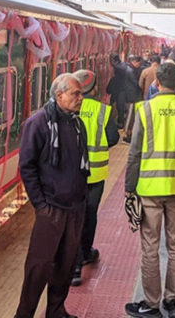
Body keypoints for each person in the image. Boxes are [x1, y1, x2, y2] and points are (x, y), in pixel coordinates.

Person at [124, 63, 175, 318]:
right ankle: (173, 301)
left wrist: (129, 187)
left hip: (151, 189)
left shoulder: (145, 109)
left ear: (157, 82)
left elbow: (134, 152)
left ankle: (151, 302)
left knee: (150, 247)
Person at [16, 73, 89, 318]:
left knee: (66, 265)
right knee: (39, 267)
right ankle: (24, 314)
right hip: (52, 209)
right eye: (75, 94)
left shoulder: (77, 123)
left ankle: (56, 311)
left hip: (75, 207)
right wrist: (40, 205)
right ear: (59, 96)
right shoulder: (38, 123)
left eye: (81, 93)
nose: (81, 98)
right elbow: (27, 166)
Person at [71, 70, 120, 286]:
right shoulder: (103, 111)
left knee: (72, 217)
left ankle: (73, 267)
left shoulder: (67, 108)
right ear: (94, 88)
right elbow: (112, 137)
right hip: (95, 173)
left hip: (71, 174)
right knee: (90, 215)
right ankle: (86, 253)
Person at [123, 55, 144, 143]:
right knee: (130, 116)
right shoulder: (130, 71)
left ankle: (128, 133)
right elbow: (136, 83)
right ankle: (126, 135)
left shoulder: (130, 69)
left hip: (131, 95)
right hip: (131, 96)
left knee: (130, 115)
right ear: (135, 62)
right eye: (138, 64)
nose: (139, 66)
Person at [107, 53, 127, 128]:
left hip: (118, 92)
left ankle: (116, 122)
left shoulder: (120, 67)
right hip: (119, 91)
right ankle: (118, 122)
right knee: (118, 107)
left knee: (117, 107)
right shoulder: (122, 66)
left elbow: (107, 90)